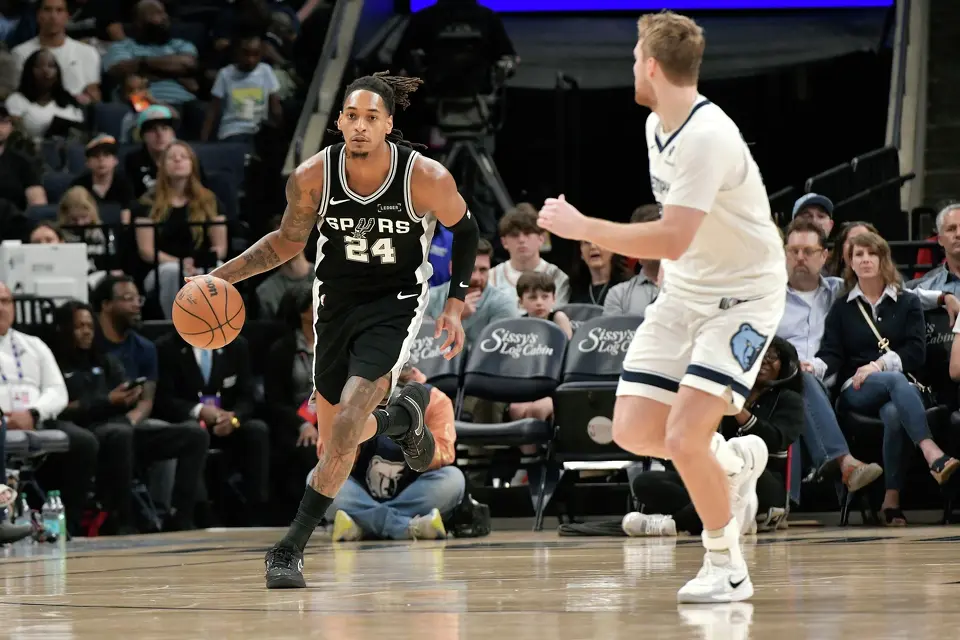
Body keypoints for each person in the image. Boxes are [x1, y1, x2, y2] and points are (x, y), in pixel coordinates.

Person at [536, 11, 784, 603]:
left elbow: (670, 236)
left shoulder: (707, 136)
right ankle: (733, 463)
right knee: (634, 429)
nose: (631, 66)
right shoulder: (656, 126)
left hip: (744, 301)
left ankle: (726, 564)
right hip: (685, 293)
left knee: (683, 437)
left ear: (651, 65)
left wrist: (582, 227)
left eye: (632, 57)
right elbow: (682, 244)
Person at [197, 72, 477, 589]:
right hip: (334, 307)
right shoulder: (312, 176)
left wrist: (454, 305)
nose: (362, 126)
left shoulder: (424, 176)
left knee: (351, 412)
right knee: (337, 443)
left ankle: (288, 549)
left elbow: (468, 230)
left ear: (389, 125)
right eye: (353, 116)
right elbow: (285, 242)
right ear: (339, 121)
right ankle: (400, 422)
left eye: (373, 118)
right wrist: (219, 277)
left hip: (394, 306)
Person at [814, 231, 960, 525]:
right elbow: (832, 355)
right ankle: (932, 453)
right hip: (856, 389)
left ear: (883, 259)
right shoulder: (842, 308)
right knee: (895, 381)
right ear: (850, 263)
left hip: (902, 390)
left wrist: (878, 365)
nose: (866, 259)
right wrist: (813, 367)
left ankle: (890, 500)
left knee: (894, 411)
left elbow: (916, 353)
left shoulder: (906, 302)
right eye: (858, 255)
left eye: (872, 253)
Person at [52, 301, 209, 534]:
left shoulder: (104, 361)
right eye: (79, 326)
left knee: (194, 434)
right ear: (64, 329)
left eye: (89, 326)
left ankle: (179, 516)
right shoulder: (56, 362)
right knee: (121, 434)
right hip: (87, 432)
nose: (86, 331)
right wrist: (107, 402)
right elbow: (61, 408)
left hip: (122, 427)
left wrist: (131, 396)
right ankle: (123, 520)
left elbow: (124, 392)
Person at [626, 336, 803, 536]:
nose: (763, 361)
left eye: (772, 356)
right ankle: (738, 518)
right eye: (757, 355)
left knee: (739, 479)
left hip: (763, 480)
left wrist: (737, 410)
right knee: (646, 482)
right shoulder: (722, 396)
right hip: (718, 478)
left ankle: (673, 524)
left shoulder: (790, 400)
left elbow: (776, 440)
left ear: (785, 366)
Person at [315, 363, 462, 542]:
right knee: (315, 478)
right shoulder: (351, 395)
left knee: (454, 479)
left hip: (412, 492)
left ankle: (361, 525)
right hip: (361, 491)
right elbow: (327, 453)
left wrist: (413, 437)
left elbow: (445, 453)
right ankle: (408, 527)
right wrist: (359, 421)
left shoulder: (436, 399)